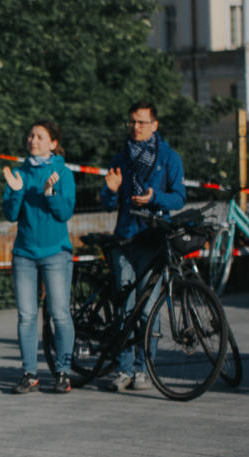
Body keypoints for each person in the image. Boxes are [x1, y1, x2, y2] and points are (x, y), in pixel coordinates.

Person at [101, 101, 186, 392]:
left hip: (152, 241)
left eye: (141, 122)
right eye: (132, 122)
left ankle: (144, 368)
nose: (136, 127)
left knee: (148, 310)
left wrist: (155, 198)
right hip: (125, 240)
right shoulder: (120, 158)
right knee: (125, 308)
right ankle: (124, 368)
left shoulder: (169, 158)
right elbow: (107, 202)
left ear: (154, 125)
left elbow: (179, 198)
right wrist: (110, 191)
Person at [2, 120, 76, 394]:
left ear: (53, 143)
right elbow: (10, 214)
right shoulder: (19, 173)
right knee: (26, 316)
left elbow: (64, 213)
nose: (33, 140)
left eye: (40, 136)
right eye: (31, 135)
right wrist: (16, 191)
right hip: (24, 254)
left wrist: (50, 194)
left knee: (59, 313)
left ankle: (63, 372)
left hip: (56, 253)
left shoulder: (64, 173)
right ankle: (29, 373)